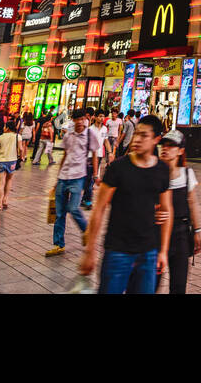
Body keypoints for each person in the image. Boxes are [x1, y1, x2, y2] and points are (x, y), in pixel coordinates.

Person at [81, 116, 173, 294]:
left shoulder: (162, 170)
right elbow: (99, 210)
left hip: (148, 253)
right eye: (136, 134)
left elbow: (167, 210)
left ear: (156, 139)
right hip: (118, 251)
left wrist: (163, 251)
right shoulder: (117, 168)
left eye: (143, 135)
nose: (137, 139)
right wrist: (90, 250)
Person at [159, 129, 201, 293]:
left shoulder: (186, 174)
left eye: (171, 146)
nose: (165, 148)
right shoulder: (154, 173)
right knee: (151, 283)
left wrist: (198, 230)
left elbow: (193, 203)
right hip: (157, 234)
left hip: (181, 234)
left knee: (178, 284)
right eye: (163, 145)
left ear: (180, 151)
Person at [45, 109, 93, 256]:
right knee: (59, 213)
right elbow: (65, 155)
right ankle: (59, 244)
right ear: (73, 120)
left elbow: (96, 154)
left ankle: (86, 230)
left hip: (78, 177)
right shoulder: (68, 135)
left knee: (73, 208)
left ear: (85, 119)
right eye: (76, 119)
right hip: (63, 177)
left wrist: (95, 175)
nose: (79, 122)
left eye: (82, 119)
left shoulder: (90, 135)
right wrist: (57, 179)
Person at [0, 119, 22, 210]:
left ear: (7, 128)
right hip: (12, 161)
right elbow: (21, 149)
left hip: (1, 161)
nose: (3, 128)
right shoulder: (18, 136)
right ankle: (5, 200)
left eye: (4, 126)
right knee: (9, 180)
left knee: (0, 183)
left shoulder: (1, 137)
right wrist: (21, 157)